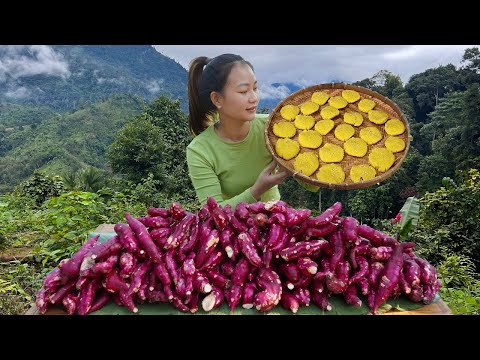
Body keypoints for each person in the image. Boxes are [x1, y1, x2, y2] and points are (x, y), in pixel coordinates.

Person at [186, 53, 290, 208]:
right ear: (217, 99)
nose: (254, 98)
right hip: (230, 229)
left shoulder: (272, 127)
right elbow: (211, 213)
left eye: (255, 88)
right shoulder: (200, 151)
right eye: (243, 91)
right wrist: (257, 190)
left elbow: (312, 182)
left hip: (276, 222)